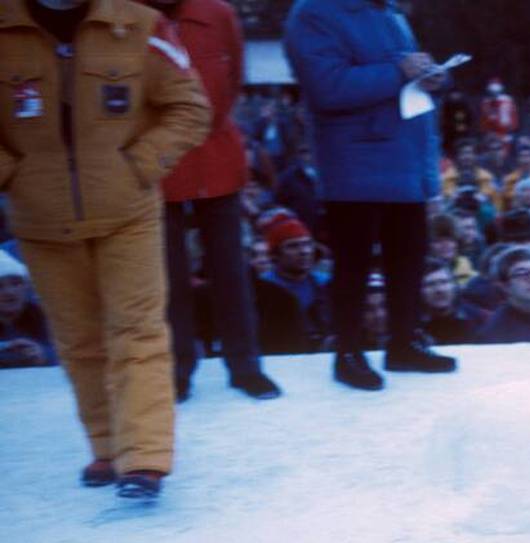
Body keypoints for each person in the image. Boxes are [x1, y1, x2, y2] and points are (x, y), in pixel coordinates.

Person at [0, 0, 211, 497]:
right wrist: (13, 175)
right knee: (78, 340)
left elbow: (190, 106)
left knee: (137, 331)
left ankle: (144, 458)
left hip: (128, 213)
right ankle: (106, 448)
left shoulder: (138, 24)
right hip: (41, 219)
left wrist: (139, 165)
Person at [285, 0, 457, 392]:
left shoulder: (388, 12)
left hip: (402, 155)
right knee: (353, 265)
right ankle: (348, 352)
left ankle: (404, 343)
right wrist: (400, 70)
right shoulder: (314, 12)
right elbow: (326, 87)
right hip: (354, 160)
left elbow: (401, 75)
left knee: (409, 257)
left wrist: (431, 77)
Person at [149, 0, 281, 402]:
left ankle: (245, 366)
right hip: (158, 158)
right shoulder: (127, 16)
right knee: (166, 276)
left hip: (215, 155)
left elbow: (234, 76)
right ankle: (176, 370)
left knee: (231, 270)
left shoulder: (217, 12)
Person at [261, 217, 332, 352]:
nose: (304, 251)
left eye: (307, 244)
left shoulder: (325, 285)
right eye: (293, 246)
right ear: (275, 254)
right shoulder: (262, 289)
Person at [0, 250, 56, 368]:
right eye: (0, 286)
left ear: (26, 286)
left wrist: (44, 354)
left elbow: (75, 351)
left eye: (16, 283)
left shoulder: (45, 316)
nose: (10, 292)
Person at [420, 260, 487, 345]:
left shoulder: (480, 319)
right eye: (430, 284)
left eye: (444, 282)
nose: (439, 290)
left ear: (454, 285)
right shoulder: (411, 325)